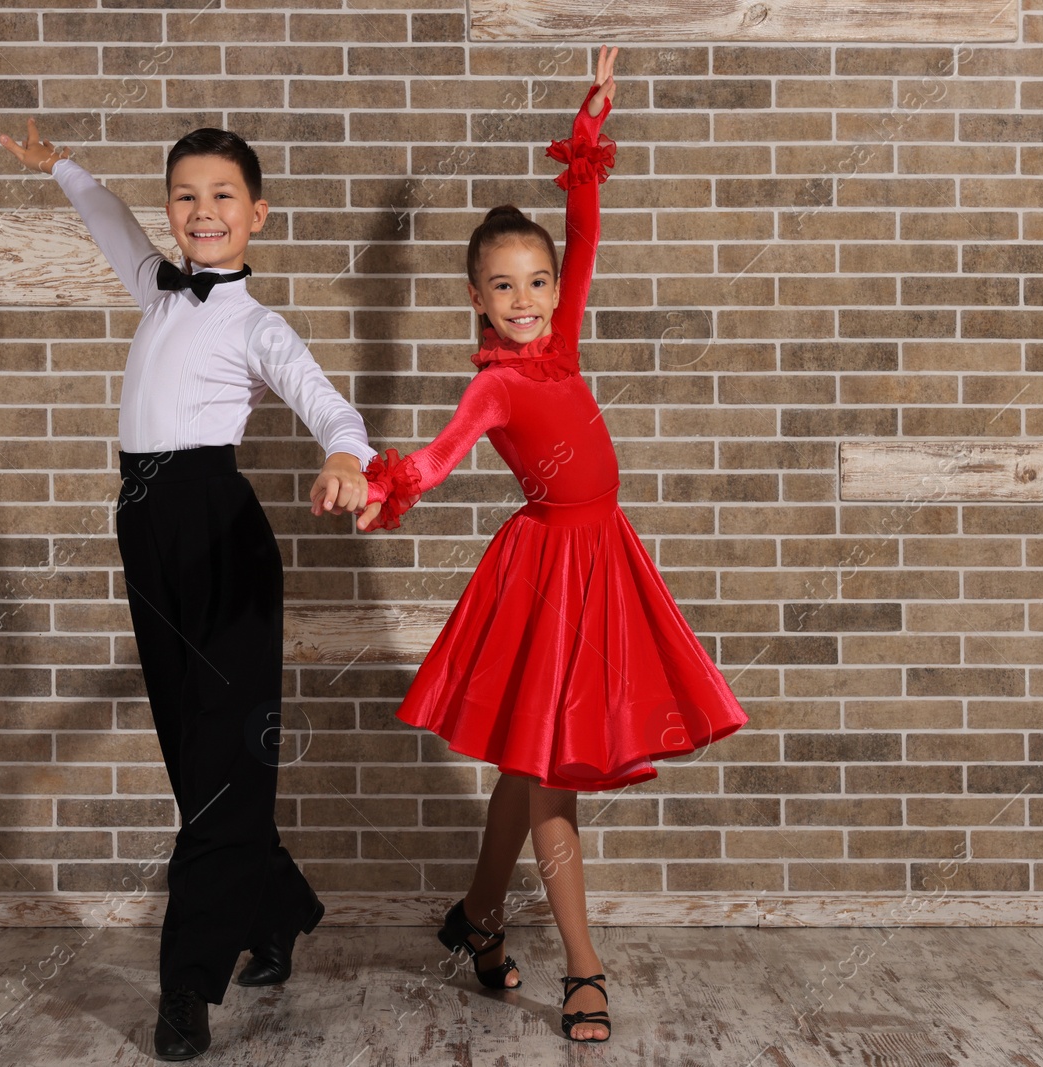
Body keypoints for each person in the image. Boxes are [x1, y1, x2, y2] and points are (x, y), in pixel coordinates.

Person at [354, 46, 748, 1044]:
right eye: (503, 286)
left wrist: (589, 133)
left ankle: (475, 917)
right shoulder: (493, 383)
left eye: (537, 280)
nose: (526, 298)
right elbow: (438, 458)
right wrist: (385, 481)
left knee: (527, 769)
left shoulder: (562, 344)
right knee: (551, 772)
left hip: (604, 559)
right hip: (544, 577)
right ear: (476, 301)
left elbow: (587, 225)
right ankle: (583, 965)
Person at [0, 119, 374, 1061]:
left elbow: (323, 397)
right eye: (185, 195)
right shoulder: (155, 286)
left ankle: (186, 986)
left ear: (257, 215)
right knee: (193, 755)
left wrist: (344, 455)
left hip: (220, 534)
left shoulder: (255, 321)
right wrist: (66, 169)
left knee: (224, 767)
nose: (201, 212)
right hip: (146, 527)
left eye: (221, 197)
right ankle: (278, 904)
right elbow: (111, 224)